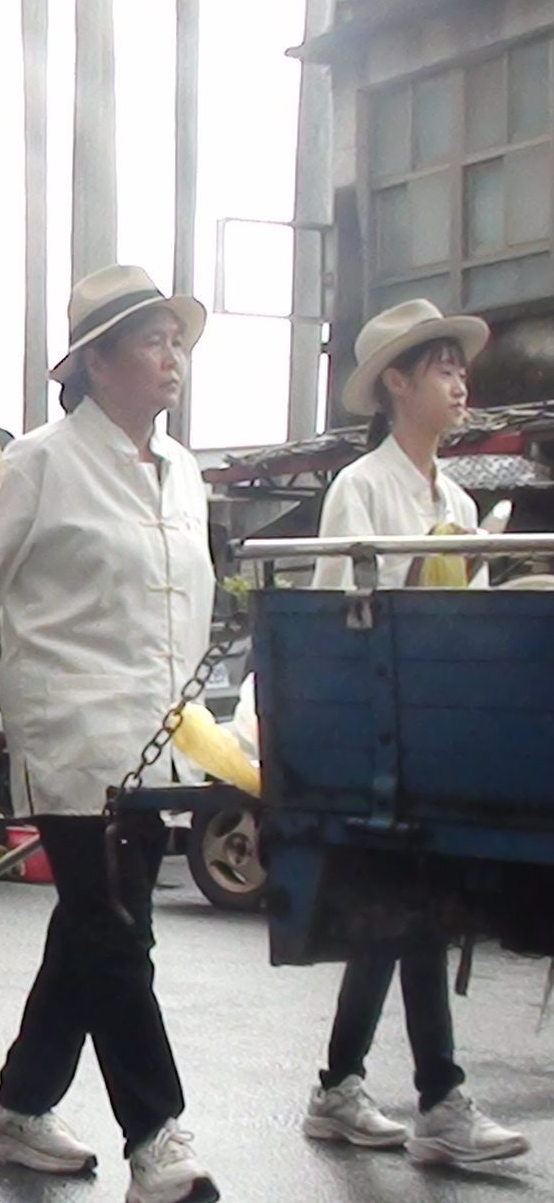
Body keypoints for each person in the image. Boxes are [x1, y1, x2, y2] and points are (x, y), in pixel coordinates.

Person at [0, 266, 218, 1203]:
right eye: (151, 341)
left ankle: (19, 1105)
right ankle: (159, 1137)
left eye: (176, 341)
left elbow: (191, 605)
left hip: (162, 743)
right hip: (73, 735)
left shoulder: (184, 472)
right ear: (96, 362)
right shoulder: (38, 462)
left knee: (90, 929)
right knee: (116, 934)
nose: (171, 357)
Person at [296, 299, 528, 1166]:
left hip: (434, 728)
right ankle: (437, 1097)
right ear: (395, 383)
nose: (460, 382)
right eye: (441, 368)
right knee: (415, 904)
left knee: (402, 911)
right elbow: (330, 612)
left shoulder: (463, 499)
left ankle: (341, 1085)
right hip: (374, 729)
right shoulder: (361, 485)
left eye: (460, 368)